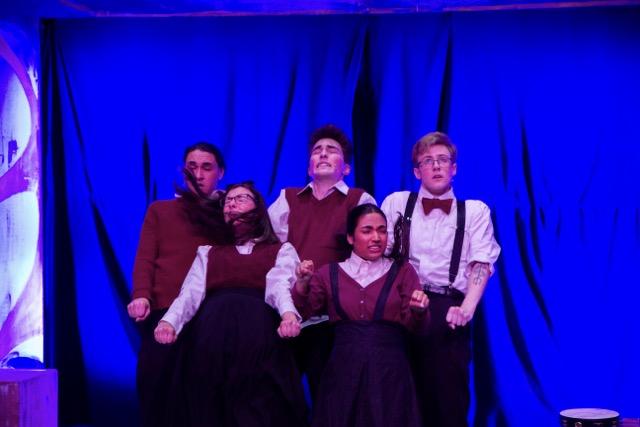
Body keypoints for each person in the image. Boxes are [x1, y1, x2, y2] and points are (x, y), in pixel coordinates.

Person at [154, 181, 307, 427]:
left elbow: (279, 286)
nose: (232, 204)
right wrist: (169, 322)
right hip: (212, 334)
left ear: (258, 208)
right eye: (227, 201)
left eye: (241, 198)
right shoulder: (208, 252)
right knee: (211, 402)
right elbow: (190, 293)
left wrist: (289, 315)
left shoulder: (279, 250)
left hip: (257, 335)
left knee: (258, 402)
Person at [381, 131, 501, 427]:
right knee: (398, 397)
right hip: (400, 306)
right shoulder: (397, 203)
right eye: (428, 160)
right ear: (416, 171)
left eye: (443, 160)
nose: (436, 166)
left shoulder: (474, 211)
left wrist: (466, 309)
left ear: (454, 168)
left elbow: (481, 262)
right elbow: (379, 254)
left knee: (447, 399)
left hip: (446, 310)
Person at [292, 203, 429, 427]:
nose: (376, 238)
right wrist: (302, 284)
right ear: (350, 237)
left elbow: (417, 327)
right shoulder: (329, 273)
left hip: (389, 370)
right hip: (343, 370)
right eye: (367, 231)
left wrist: (419, 311)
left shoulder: (403, 271)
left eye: (382, 231)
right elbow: (304, 312)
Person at [267, 124, 376, 400]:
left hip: (334, 318)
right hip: (290, 312)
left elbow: (371, 256)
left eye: (332, 150)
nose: (323, 154)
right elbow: (271, 252)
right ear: (309, 167)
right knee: (280, 396)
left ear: (346, 168)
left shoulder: (358, 199)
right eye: (317, 150)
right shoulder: (288, 198)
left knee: (330, 397)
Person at [127, 142, 227, 427]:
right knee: (156, 387)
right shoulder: (161, 210)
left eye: (206, 167)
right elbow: (145, 257)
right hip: (164, 310)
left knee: (205, 394)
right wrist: (142, 295)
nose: (198, 174)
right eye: (192, 167)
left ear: (220, 172)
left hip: (210, 314)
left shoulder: (229, 211)